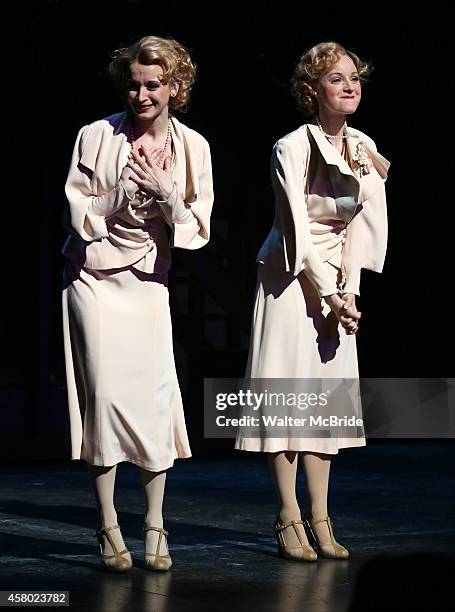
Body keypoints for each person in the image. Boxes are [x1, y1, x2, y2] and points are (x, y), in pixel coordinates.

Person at [61, 35, 213, 572]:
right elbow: (77, 213)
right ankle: (107, 525)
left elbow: (198, 230)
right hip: (95, 280)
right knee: (103, 398)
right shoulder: (97, 135)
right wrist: (118, 196)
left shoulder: (193, 147)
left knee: (150, 400)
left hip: (149, 282)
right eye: (133, 83)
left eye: (153, 84)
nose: (141, 94)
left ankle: (154, 524)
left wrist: (169, 194)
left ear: (175, 86)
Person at [235, 42, 390, 561]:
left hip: (337, 282)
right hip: (289, 277)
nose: (349, 86)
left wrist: (351, 292)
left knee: (324, 405)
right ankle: (287, 516)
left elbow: (364, 230)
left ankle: (321, 518)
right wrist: (327, 293)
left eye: (354, 78)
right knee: (286, 399)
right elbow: (296, 231)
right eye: (335, 79)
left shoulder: (363, 146)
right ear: (312, 91)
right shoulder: (291, 147)